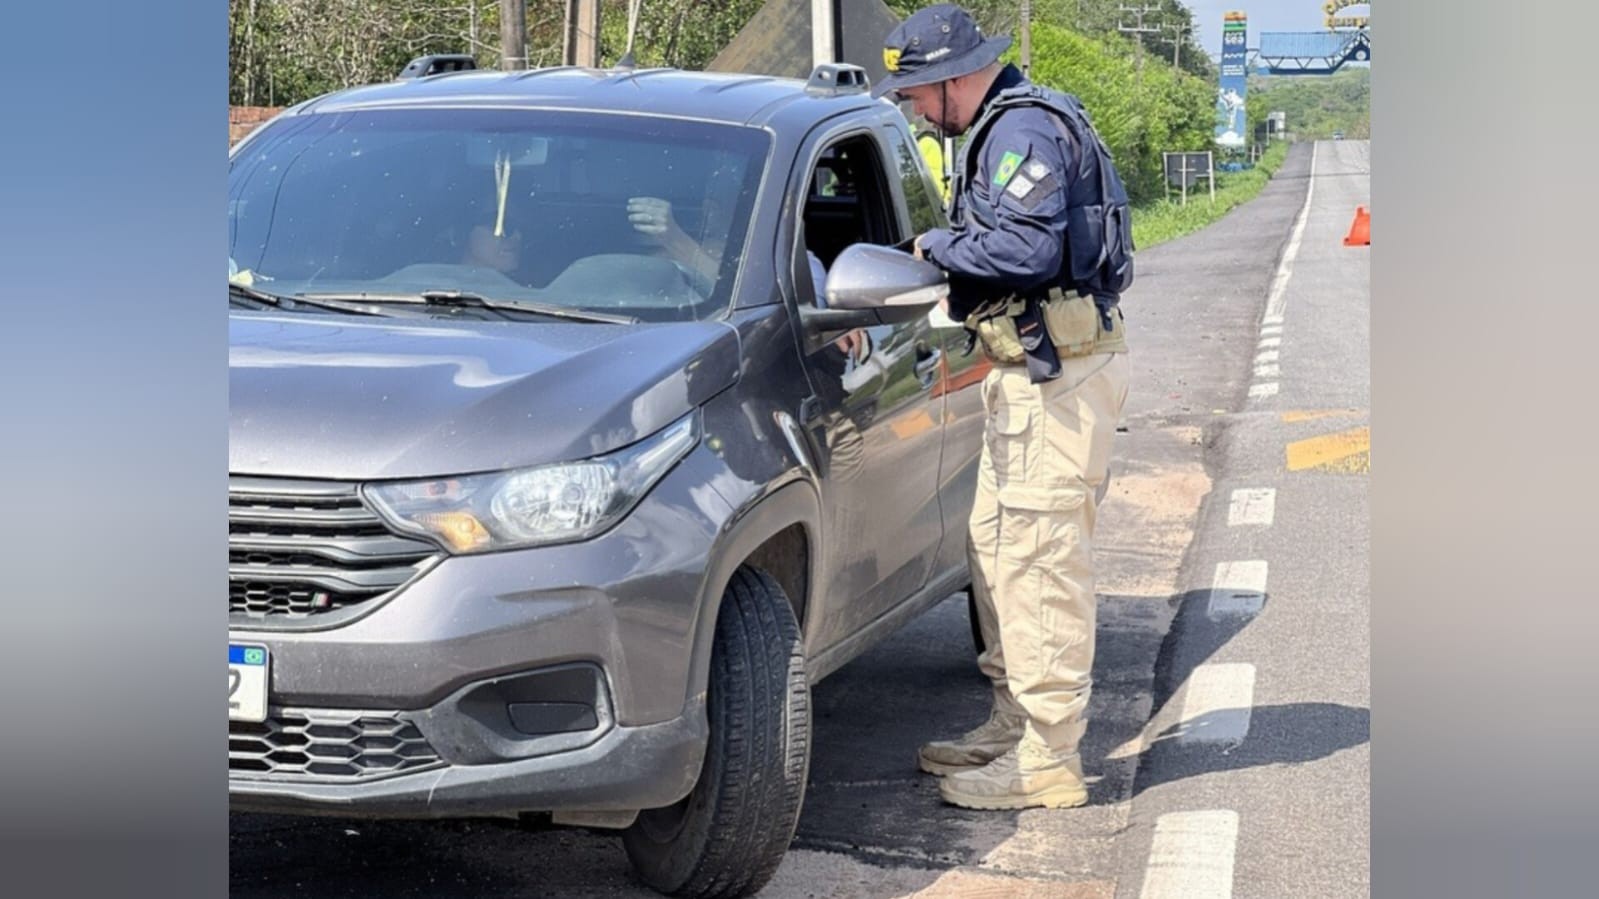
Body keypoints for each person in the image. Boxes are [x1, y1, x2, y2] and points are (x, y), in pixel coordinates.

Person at [874, 3, 1134, 811]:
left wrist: (930, 249)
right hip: (1027, 374)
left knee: (1040, 567)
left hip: (1056, 383)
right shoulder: (999, 125)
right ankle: (1015, 721)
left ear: (954, 79)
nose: (917, 109)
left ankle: (1049, 764)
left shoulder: (1019, 131)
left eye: (919, 93)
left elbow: (1025, 248)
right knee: (995, 554)